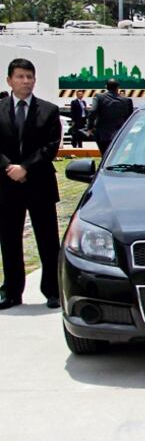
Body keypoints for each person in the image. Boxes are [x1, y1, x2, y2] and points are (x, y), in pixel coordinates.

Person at [0, 59, 62, 310]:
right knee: (10, 239)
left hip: (39, 184)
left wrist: (25, 167)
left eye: (30, 77)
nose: (26, 81)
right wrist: (9, 168)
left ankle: (53, 290)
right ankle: (12, 291)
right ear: (9, 80)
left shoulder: (48, 110)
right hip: (6, 185)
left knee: (47, 240)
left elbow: (50, 146)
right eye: (21, 77)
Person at [89, 78, 134, 155]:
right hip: (120, 134)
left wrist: (90, 127)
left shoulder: (99, 97)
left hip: (103, 134)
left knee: (105, 155)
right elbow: (130, 118)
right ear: (118, 88)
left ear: (106, 87)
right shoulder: (127, 100)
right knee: (116, 156)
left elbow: (92, 111)